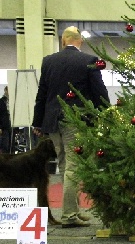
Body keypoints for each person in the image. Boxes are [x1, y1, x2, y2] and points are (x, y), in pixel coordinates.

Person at [32, 26, 109, 228]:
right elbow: (99, 92)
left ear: (63, 40)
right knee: (74, 166)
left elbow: (42, 95)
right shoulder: (89, 61)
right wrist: (108, 114)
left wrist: (37, 122)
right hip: (75, 119)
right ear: (80, 41)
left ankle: (72, 211)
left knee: (65, 165)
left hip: (52, 122)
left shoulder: (48, 61)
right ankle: (68, 215)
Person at [0, 85, 12, 153]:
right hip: (3, 128)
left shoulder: (13, 101)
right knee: (4, 146)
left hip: (11, 127)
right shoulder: (0, 102)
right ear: (5, 91)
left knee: (11, 146)